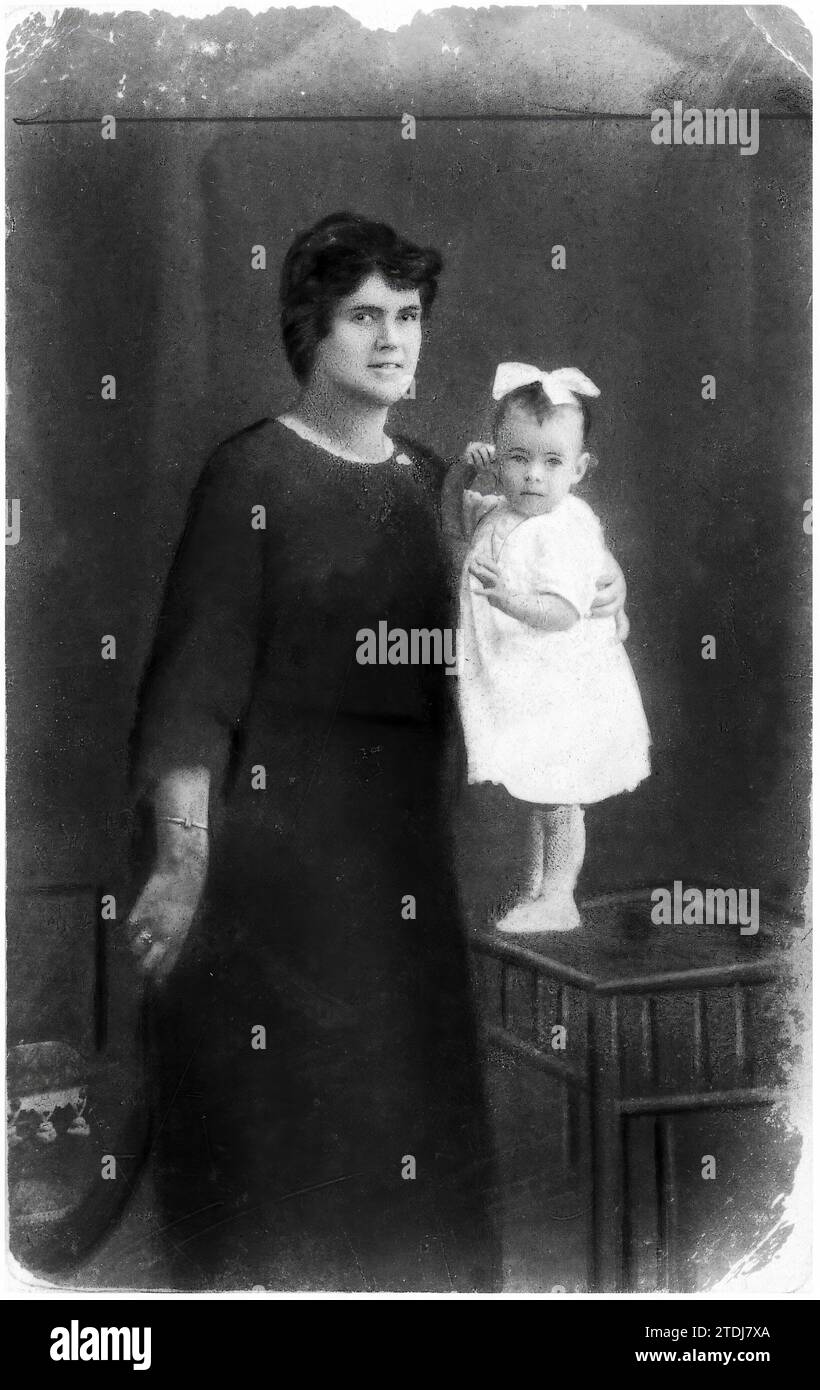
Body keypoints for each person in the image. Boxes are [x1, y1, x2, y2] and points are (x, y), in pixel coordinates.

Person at [126, 212, 503, 1291]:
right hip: (271, 884)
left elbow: (484, 662)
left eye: (409, 316)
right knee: (285, 1179)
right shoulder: (249, 475)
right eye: (364, 316)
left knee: (416, 1175)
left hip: (404, 878)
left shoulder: (432, 484)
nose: (393, 339)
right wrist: (187, 860)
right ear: (310, 330)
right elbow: (192, 696)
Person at [442, 363, 651, 933]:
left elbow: (562, 612)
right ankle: (537, 890)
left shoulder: (567, 526)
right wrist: (465, 472)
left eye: (552, 462)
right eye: (517, 457)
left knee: (560, 797)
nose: (533, 476)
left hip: (563, 690)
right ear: (499, 455)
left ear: (579, 469)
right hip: (523, 685)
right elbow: (454, 530)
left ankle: (559, 895)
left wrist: (506, 600)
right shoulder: (500, 511)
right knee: (539, 793)